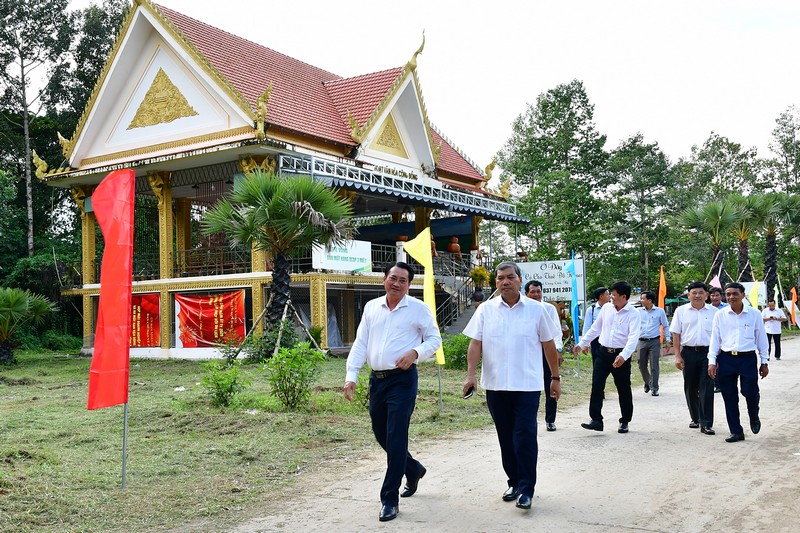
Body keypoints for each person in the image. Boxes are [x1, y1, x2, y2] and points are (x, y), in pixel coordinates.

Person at [343, 262, 442, 522]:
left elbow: (434, 339)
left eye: (402, 280)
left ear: (409, 284)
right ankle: (413, 468)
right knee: (381, 433)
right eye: (392, 278)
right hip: (377, 380)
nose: (396, 283)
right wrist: (350, 376)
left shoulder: (418, 309)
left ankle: (389, 499)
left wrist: (415, 352)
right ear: (384, 279)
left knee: (396, 436)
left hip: (403, 381)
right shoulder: (371, 307)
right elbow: (361, 342)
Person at [462, 262, 561, 511]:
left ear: (520, 279)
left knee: (524, 436)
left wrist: (555, 378)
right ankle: (514, 482)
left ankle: (527, 488)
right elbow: (475, 344)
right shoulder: (485, 310)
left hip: (527, 385)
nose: (505, 282)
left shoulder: (537, 311)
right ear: (495, 282)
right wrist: (470, 375)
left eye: (510, 277)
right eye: (500, 278)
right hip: (495, 386)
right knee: (505, 436)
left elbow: (549, 346)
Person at [573, 281, 641, 433]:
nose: (611, 297)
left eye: (614, 295)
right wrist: (583, 343)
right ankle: (596, 420)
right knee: (597, 385)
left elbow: (633, 338)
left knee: (623, 388)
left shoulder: (634, 314)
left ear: (624, 297)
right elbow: (595, 328)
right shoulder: (606, 308)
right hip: (603, 353)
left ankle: (625, 420)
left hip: (621, 355)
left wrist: (623, 356)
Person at [708, 282, 769, 443]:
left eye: (735, 293)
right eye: (728, 294)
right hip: (726, 359)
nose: (731, 297)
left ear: (743, 295)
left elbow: (761, 339)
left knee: (750, 391)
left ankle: (754, 415)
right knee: (729, 396)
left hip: (747, 358)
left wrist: (764, 362)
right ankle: (736, 431)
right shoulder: (720, 315)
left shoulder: (754, 314)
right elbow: (715, 339)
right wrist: (712, 361)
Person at [670, 281, 718, 435]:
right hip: (688, 354)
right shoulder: (680, 311)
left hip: (708, 354)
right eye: (694, 292)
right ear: (688, 294)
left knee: (707, 387)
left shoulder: (714, 312)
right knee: (690, 387)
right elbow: (676, 334)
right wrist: (677, 356)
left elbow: (719, 336)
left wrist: (716, 358)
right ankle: (695, 418)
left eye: (701, 292)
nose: (697, 295)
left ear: (706, 295)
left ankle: (706, 423)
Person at [525, 280, 564, 431]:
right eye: (532, 292)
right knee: (530, 388)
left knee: (551, 384)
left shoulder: (549, 309)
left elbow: (556, 332)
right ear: (526, 293)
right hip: (529, 353)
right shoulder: (522, 309)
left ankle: (550, 420)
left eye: (538, 291)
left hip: (547, 352)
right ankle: (530, 419)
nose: (536, 294)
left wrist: (558, 350)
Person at [637, 291, 669, 396]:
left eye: (643, 299)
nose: (641, 301)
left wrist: (667, 339)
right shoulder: (638, 312)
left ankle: (654, 387)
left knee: (654, 365)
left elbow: (665, 325)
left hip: (654, 341)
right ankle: (648, 382)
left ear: (649, 300)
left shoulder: (659, 311)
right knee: (641, 364)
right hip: (641, 341)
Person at [582, 287, 611, 362]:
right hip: (596, 341)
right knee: (597, 363)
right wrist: (585, 344)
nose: (610, 296)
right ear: (601, 296)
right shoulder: (591, 310)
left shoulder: (613, 308)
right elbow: (587, 327)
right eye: (607, 294)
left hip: (609, 340)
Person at [708, 286, 728, 392]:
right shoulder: (707, 309)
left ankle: (720, 384)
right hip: (711, 339)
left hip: (724, 340)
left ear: (721, 296)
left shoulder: (727, 308)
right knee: (712, 362)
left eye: (717, 295)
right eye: (712, 295)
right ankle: (714, 383)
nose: (715, 297)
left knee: (721, 363)